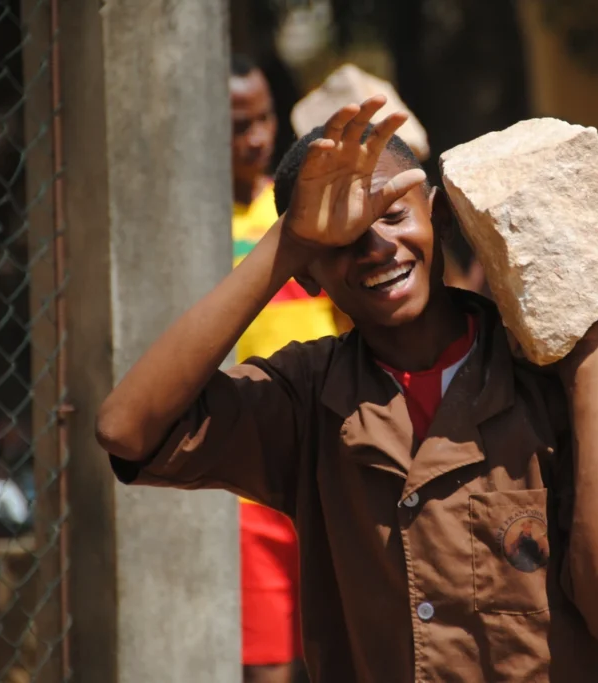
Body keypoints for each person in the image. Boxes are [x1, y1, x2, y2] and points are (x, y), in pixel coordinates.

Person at [96, 95, 598, 682]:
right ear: (306, 274)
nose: (374, 247)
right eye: (339, 239)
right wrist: (287, 242)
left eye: (394, 215)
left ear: (441, 218)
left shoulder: (553, 376)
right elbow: (127, 430)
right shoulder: (307, 397)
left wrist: (596, 359)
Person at [231, 54, 337, 683]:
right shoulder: (194, 228)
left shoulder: (304, 212)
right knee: (270, 665)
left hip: (329, 462)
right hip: (254, 481)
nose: (257, 136)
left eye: (265, 117)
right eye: (238, 123)